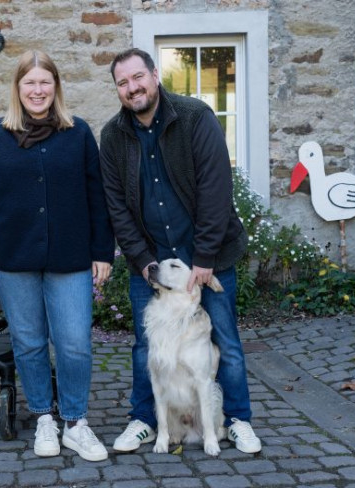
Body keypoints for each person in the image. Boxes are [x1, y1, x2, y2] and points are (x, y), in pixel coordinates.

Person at [99, 48, 262, 454]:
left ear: (155, 75)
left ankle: (238, 420)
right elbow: (117, 207)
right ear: (117, 89)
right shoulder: (113, 137)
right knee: (146, 346)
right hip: (154, 265)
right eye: (123, 82)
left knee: (226, 341)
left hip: (209, 256)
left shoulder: (194, 117)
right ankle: (144, 420)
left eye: (138, 77)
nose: (132, 87)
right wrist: (142, 261)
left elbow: (215, 188)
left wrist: (204, 257)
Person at [0, 50, 115, 462]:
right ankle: (44, 418)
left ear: (56, 87)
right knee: (29, 343)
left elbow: (97, 196)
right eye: (29, 82)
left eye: (44, 82)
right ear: (17, 88)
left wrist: (102, 251)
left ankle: (76, 423)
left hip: (71, 258)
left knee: (75, 344)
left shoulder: (77, 133)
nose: (37, 90)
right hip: (13, 260)